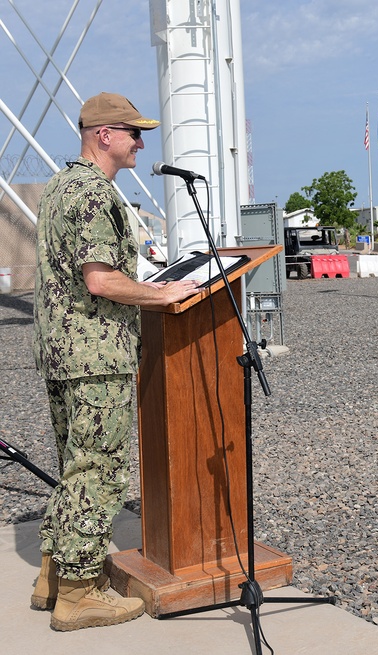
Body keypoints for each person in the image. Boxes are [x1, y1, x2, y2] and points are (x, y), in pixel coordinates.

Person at [32, 92, 200, 631]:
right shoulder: (93, 193)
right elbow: (100, 279)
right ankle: (80, 593)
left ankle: (53, 575)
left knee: (74, 465)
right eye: (134, 133)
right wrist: (168, 293)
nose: (141, 143)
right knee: (98, 470)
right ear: (104, 134)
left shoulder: (60, 186)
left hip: (63, 351)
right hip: (95, 354)